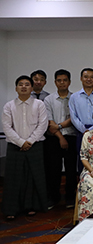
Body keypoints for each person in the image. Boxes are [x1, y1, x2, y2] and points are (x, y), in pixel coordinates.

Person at [2, 75, 48, 220]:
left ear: (31, 88)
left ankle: (31, 207)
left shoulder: (39, 104)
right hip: (15, 146)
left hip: (35, 146)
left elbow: (43, 124)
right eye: (20, 84)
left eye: (27, 84)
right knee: (13, 178)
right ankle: (11, 209)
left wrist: (30, 141)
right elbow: (7, 127)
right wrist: (21, 142)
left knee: (33, 177)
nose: (23, 87)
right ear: (16, 88)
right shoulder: (9, 106)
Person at [43, 69, 77, 209]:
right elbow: (49, 122)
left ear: (69, 82)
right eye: (59, 80)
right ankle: (54, 198)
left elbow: (74, 118)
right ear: (55, 82)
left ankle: (70, 198)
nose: (62, 83)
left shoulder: (75, 98)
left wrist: (58, 126)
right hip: (54, 138)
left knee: (71, 170)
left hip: (72, 136)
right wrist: (60, 137)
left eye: (65, 80)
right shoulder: (48, 99)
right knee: (54, 169)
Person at [69, 68, 93, 171]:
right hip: (80, 132)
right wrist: (84, 130)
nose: (89, 79)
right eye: (86, 77)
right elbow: (73, 116)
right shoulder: (74, 97)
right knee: (82, 159)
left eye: (92, 77)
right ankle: (83, 183)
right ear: (81, 78)